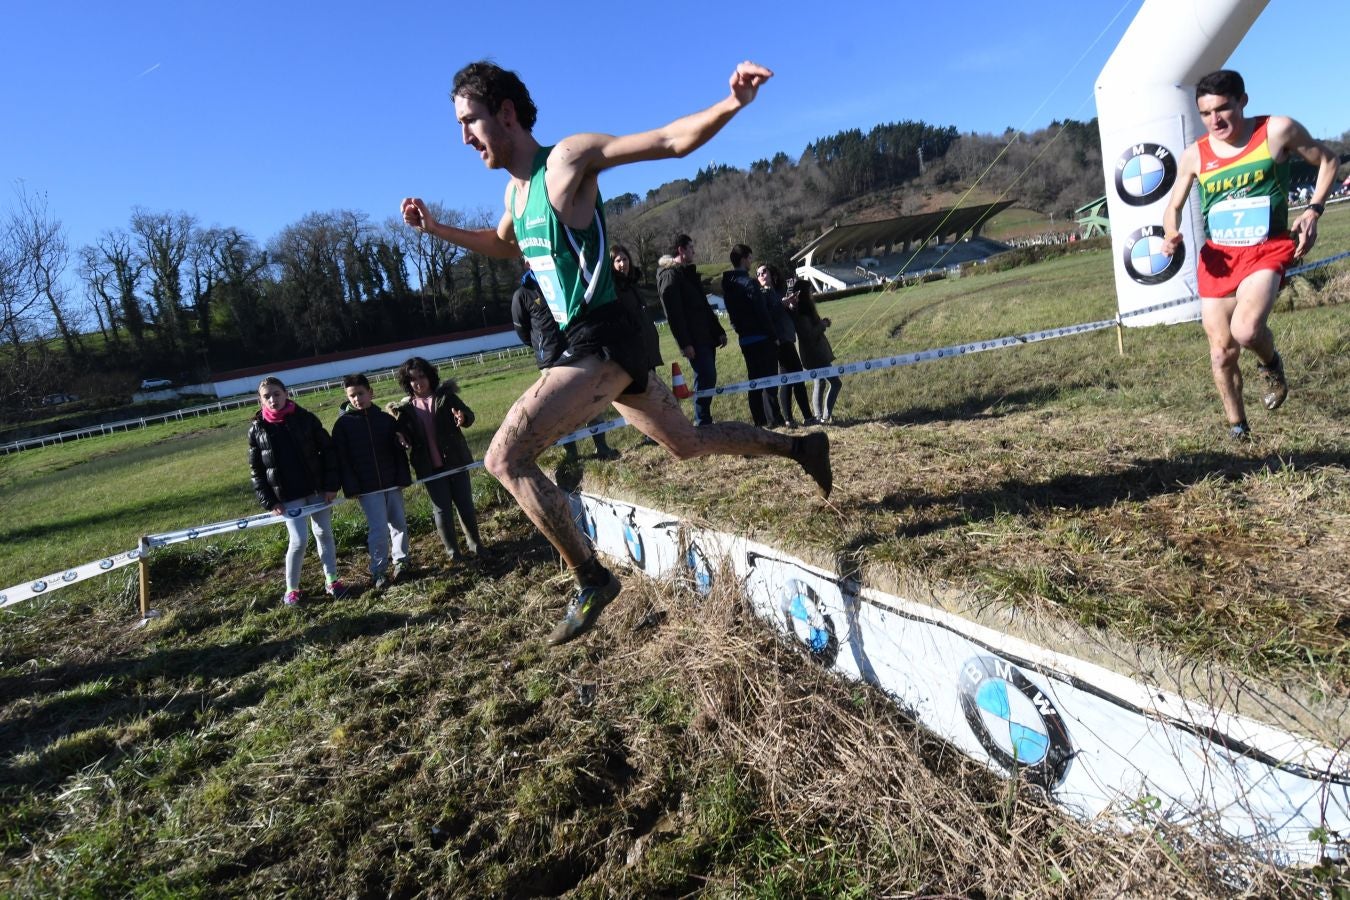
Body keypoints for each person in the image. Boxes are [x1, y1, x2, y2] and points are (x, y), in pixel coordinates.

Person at [401, 59, 832, 645]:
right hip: (591, 349)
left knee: (503, 459)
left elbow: (669, 141)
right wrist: (435, 229)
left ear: (505, 113)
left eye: (469, 121)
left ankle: (591, 578)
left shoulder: (566, 160)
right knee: (686, 442)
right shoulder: (516, 193)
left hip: (601, 342)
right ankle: (801, 447)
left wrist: (733, 103)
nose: (464, 138)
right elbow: (503, 244)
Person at [1161, 69, 1338, 440]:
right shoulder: (1195, 154)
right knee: (1221, 353)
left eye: (1222, 109)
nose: (1215, 120)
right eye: (1205, 113)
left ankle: (1271, 364)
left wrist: (1313, 210)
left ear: (1243, 101)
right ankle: (1238, 428)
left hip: (1264, 250)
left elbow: (1328, 160)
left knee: (1245, 330)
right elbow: (1172, 207)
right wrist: (1171, 233)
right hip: (1219, 259)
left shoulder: (1276, 131)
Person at [247, 376, 348, 606]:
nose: (272, 399)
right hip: (287, 497)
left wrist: (331, 485)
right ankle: (292, 589)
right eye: (266, 396)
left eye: (276, 394)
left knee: (324, 533)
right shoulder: (257, 430)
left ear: (286, 394)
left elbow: (328, 451)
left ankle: (332, 580)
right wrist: (270, 501)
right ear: (260, 400)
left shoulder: (306, 418)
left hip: (317, 491)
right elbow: (257, 471)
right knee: (299, 540)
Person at [511, 266, 621, 462]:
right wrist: (541, 344)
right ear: (527, 262)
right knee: (558, 410)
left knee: (590, 399)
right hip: (550, 359)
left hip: (577, 350)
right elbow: (522, 330)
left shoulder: (563, 279)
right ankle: (571, 454)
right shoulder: (523, 294)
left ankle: (602, 446)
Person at [389, 356, 487, 564]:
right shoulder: (405, 410)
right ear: (407, 383)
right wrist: (401, 438)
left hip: (456, 461)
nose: (419, 382)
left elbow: (468, 415)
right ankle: (454, 554)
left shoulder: (446, 398)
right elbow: (402, 434)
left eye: (422, 376)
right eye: (413, 379)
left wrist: (463, 418)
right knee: (442, 512)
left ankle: (476, 546)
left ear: (430, 376)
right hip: (429, 468)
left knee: (465, 506)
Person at [332, 374, 412, 590]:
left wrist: (403, 477)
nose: (357, 399)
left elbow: (398, 453)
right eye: (352, 396)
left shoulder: (386, 420)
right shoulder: (342, 426)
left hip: (392, 482)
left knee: (399, 524)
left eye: (360, 393)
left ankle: (402, 562)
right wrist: (351, 487)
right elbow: (343, 460)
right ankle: (379, 570)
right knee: (378, 530)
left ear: (370, 392)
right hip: (367, 489)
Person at [657, 234, 726, 426]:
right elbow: (674, 314)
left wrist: (718, 330)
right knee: (706, 376)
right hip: (694, 340)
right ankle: (701, 421)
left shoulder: (687, 275)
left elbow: (703, 306)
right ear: (681, 250)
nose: (694, 252)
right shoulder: (669, 276)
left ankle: (705, 419)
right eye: (691, 248)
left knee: (709, 378)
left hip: (706, 336)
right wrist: (685, 343)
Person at [721, 244, 785, 428]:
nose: (751, 262)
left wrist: (739, 330)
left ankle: (759, 421)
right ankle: (774, 420)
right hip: (762, 337)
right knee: (770, 380)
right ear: (743, 259)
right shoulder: (750, 283)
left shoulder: (728, 285)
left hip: (745, 339)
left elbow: (732, 314)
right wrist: (773, 335)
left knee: (754, 382)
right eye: (750, 258)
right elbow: (761, 312)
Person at [759, 264, 815, 427]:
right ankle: (803, 417)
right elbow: (765, 316)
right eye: (758, 273)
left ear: (773, 275)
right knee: (795, 377)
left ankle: (791, 418)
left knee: (789, 379)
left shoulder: (779, 293)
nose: (761, 275)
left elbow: (788, 315)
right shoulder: (762, 294)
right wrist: (781, 305)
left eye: (764, 272)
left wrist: (792, 306)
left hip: (788, 338)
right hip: (778, 340)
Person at [787, 279, 842, 424]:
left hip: (814, 354)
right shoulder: (801, 313)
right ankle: (825, 417)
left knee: (820, 382)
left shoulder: (805, 310)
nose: (812, 293)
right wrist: (823, 324)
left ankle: (820, 417)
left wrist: (823, 323)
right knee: (836, 383)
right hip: (815, 355)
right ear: (804, 293)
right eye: (810, 291)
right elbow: (809, 335)